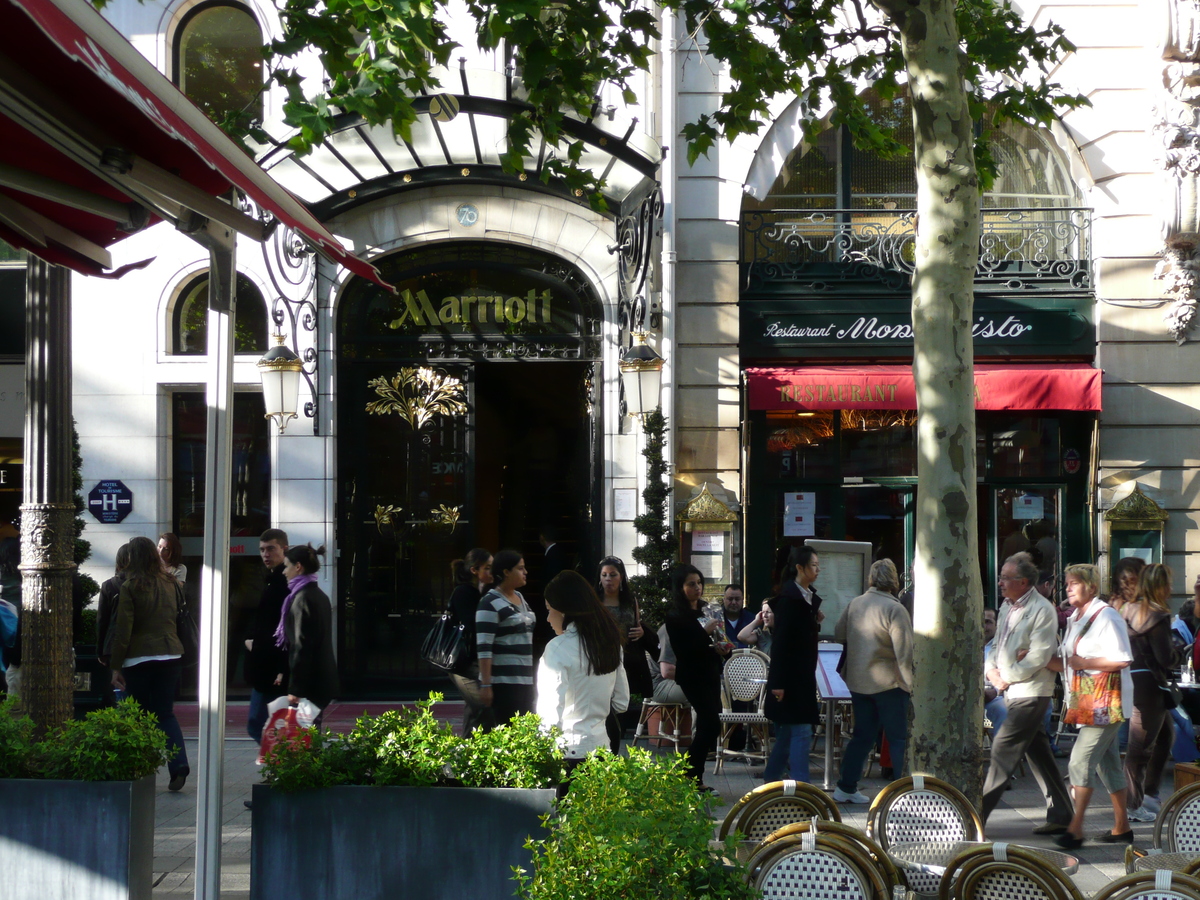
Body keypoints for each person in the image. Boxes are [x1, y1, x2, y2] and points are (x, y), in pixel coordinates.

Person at [982, 551, 1074, 834]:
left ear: (1023, 582)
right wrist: (992, 671)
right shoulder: (1007, 606)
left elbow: (1039, 656)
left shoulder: (1042, 610)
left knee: (1002, 749)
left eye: (1005, 578)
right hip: (1011, 689)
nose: (1000, 583)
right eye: (1001, 578)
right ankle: (1062, 814)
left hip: (1033, 692)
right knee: (1038, 752)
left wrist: (1006, 676)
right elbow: (996, 644)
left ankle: (973, 817)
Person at [1048, 564, 1133, 849]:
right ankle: (1122, 827)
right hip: (1087, 701)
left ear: (1092, 587)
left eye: (1074, 583)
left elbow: (1122, 658)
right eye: (1067, 582)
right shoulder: (1076, 617)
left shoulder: (1106, 616)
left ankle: (1076, 828)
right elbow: (1069, 663)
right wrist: (1033, 659)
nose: (1068, 587)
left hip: (1107, 703)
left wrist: (1086, 663)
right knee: (1108, 765)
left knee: (1080, 761)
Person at [109, 535, 190, 792]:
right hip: (171, 654)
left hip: (139, 657)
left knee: (137, 715)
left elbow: (123, 631)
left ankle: (140, 768)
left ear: (132, 557)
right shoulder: (171, 583)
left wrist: (115, 667)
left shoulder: (130, 586)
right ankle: (178, 764)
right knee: (165, 713)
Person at [536, 570, 629, 785]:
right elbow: (622, 702)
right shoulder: (610, 642)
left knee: (564, 816)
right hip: (602, 747)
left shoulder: (558, 648)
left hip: (568, 752)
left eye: (550, 610)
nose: (548, 619)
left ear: (565, 611)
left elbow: (551, 712)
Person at [832, 558, 913, 803]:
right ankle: (905, 793)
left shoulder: (855, 604)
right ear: (893, 579)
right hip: (890, 684)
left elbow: (838, 633)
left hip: (858, 682)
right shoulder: (895, 608)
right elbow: (904, 652)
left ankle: (846, 786)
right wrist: (912, 685)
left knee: (863, 736)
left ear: (871, 579)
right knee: (898, 738)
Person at [762, 544, 823, 784]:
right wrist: (777, 683)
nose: (818, 570)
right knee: (800, 732)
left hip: (799, 677)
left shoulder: (804, 597)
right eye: (814, 566)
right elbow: (781, 644)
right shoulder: (790, 600)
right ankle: (801, 787)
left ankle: (770, 784)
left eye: (819, 565)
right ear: (800, 568)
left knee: (787, 736)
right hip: (790, 680)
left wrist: (814, 619)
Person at [1122, 563, 1177, 822]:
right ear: (1160, 586)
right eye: (1169, 583)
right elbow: (1166, 658)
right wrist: (1180, 651)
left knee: (1166, 735)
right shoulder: (1157, 615)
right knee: (1140, 748)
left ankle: (1149, 794)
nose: (1172, 588)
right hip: (1150, 685)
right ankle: (1133, 805)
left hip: (1132, 679)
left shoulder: (1128, 609)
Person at [664, 564, 727, 789]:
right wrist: (704, 632)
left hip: (710, 670)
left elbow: (714, 640)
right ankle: (688, 773)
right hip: (691, 675)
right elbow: (683, 650)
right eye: (691, 584)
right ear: (680, 587)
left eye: (699, 582)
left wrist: (722, 646)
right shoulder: (674, 616)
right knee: (710, 723)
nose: (697, 588)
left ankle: (694, 778)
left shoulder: (706, 609)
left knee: (709, 724)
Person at [596, 555, 657, 750]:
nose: (608, 579)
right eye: (604, 575)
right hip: (602, 659)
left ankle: (615, 745)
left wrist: (641, 632)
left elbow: (638, 626)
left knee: (621, 706)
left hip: (627, 661)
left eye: (613, 575)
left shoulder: (630, 601)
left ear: (621, 577)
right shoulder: (595, 601)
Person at [476, 549, 537, 725]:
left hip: (525, 679)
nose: (525, 572)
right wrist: (486, 686)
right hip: (503, 683)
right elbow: (484, 647)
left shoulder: (519, 596)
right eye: (520, 568)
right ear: (506, 572)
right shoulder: (489, 603)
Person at [276, 543, 339, 711]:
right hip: (320, 680)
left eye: (286, 566)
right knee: (309, 734)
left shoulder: (302, 599)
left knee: (303, 735)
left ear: (298, 567)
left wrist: (296, 689)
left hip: (310, 684)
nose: (284, 572)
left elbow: (301, 645)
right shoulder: (318, 595)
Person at [244, 529, 291, 743]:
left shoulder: (284, 582)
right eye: (262, 550)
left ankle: (279, 768)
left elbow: (283, 628)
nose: (265, 554)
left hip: (273, 667)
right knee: (263, 723)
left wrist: (258, 644)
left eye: (271, 549)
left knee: (260, 723)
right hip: (267, 666)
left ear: (284, 549)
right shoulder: (271, 579)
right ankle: (278, 768)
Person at [447, 548, 494, 735]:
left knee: (474, 709)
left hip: (468, 661)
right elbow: (473, 625)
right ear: (475, 570)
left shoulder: (477, 591)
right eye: (488, 568)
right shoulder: (465, 592)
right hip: (462, 663)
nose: (492, 572)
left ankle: (466, 751)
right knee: (483, 706)